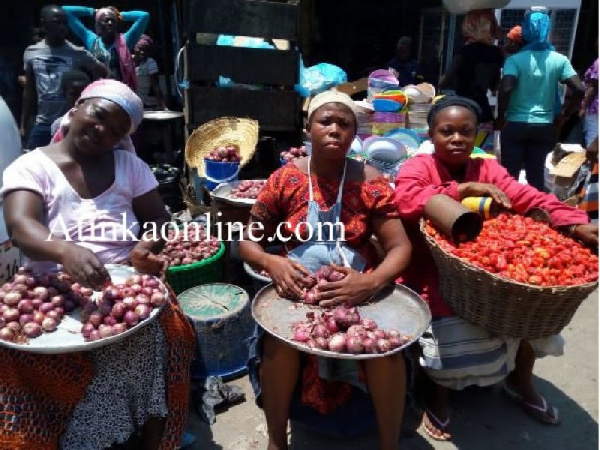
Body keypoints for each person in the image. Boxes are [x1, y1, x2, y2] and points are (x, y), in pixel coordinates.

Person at [0, 79, 195, 449]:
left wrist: (144, 248)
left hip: (124, 282)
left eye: (119, 130)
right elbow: (21, 227)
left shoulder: (129, 165)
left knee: (165, 331)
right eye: (99, 115)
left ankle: (155, 430)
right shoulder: (31, 166)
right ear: (76, 109)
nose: (104, 131)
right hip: (48, 286)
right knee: (16, 352)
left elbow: (158, 220)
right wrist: (63, 251)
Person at [393, 96, 598, 441]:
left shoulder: (488, 168)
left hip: (486, 270)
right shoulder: (418, 166)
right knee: (445, 334)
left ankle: (521, 382)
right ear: (431, 134)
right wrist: (463, 189)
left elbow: (526, 197)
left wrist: (573, 223)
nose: (457, 138)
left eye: (466, 131)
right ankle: (438, 396)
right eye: (447, 131)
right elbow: (405, 198)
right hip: (432, 269)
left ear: (477, 135)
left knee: (536, 312)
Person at [239, 90, 412, 450]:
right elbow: (248, 242)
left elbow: (399, 247)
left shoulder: (370, 180)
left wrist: (371, 281)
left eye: (344, 123)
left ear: (354, 134)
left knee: (386, 353)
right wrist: (271, 262)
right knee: (278, 346)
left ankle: (389, 444)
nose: (334, 129)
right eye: (325, 121)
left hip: (358, 292)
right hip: (298, 291)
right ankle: (276, 440)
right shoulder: (285, 179)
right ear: (308, 128)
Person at [495, 9, 585, 191]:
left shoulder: (515, 60)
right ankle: (537, 213)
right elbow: (579, 89)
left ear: (526, 30)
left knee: (510, 175)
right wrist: (564, 114)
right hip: (545, 126)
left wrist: (501, 116)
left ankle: (509, 213)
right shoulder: (560, 60)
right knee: (536, 176)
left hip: (515, 124)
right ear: (547, 30)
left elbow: (506, 88)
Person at [20, 5, 107, 150]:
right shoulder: (31, 53)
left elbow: (105, 74)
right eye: (57, 22)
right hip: (43, 123)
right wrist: (23, 125)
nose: (62, 27)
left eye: (65, 23)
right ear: (44, 23)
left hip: (69, 123)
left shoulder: (77, 53)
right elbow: (29, 91)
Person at [439, 8, 504, 151]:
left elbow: (444, 82)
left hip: (461, 111)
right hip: (484, 112)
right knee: (482, 157)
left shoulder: (465, 52)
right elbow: (494, 86)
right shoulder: (497, 54)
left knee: (458, 155)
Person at [63, 5, 150, 90]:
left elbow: (144, 16)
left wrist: (120, 15)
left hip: (121, 91)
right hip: (98, 91)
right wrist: (94, 12)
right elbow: (65, 10)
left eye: (113, 20)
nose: (110, 23)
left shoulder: (125, 41)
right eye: (106, 20)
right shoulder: (92, 41)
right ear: (98, 24)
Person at [50, 69, 91, 137]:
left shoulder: (95, 122)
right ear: (64, 94)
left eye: (83, 94)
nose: (79, 98)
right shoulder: (59, 124)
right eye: (74, 94)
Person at [134, 34, 167, 110]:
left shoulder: (150, 63)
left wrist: (164, 107)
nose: (142, 52)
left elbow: (156, 86)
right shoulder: (127, 61)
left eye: (146, 50)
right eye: (140, 49)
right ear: (135, 48)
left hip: (146, 105)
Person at [580, 57, 598, 147]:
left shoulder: (598, 63)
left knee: (592, 139)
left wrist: (583, 107)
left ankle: (593, 160)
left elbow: (594, 86)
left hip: (595, 109)